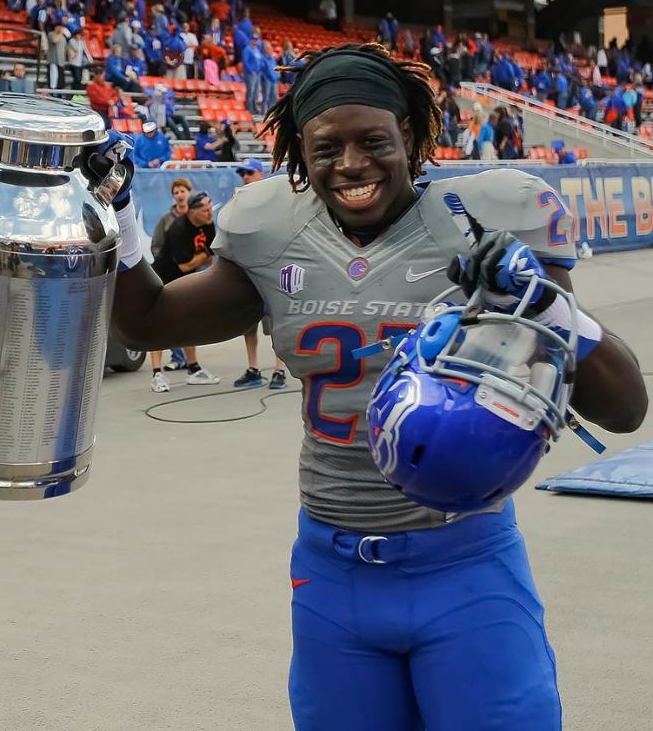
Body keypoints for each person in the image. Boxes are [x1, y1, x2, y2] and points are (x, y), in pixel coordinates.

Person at [105, 42, 646, 731]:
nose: (352, 164)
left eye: (373, 141)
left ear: (413, 137)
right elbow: (148, 319)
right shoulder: (273, 233)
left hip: (465, 562)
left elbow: (626, 408)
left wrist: (541, 301)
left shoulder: (480, 225)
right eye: (327, 148)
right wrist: (118, 209)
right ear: (301, 152)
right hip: (332, 572)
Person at [148, 192, 221, 392]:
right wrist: (203, 256)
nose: (209, 214)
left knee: (190, 321)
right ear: (193, 212)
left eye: (210, 209)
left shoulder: (207, 223)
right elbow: (184, 266)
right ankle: (157, 373)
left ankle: (194, 368)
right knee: (160, 325)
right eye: (205, 210)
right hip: (164, 279)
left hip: (186, 280)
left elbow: (211, 252)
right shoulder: (178, 229)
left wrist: (202, 257)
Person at [229, 159, 287, 389]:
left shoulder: (273, 203)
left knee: (276, 326)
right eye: (242, 173)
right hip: (248, 272)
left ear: (261, 174)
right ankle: (253, 368)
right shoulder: (238, 204)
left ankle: (279, 370)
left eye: (249, 172)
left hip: (271, 273)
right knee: (248, 325)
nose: (245, 177)